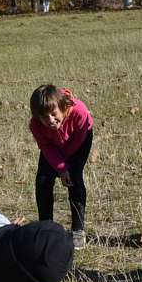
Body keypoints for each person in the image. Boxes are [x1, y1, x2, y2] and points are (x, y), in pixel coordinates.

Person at [29, 84, 93, 248]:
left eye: (53, 114)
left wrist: (66, 168)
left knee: (75, 178)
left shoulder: (79, 112)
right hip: (53, 146)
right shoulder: (35, 125)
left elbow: (78, 141)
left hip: (79, 141)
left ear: (63, 107)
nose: (50, 120)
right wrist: (60, 167)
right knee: (43, 180)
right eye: (44, 117)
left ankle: (78, 230)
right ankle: (46, 228)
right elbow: (47, 148)